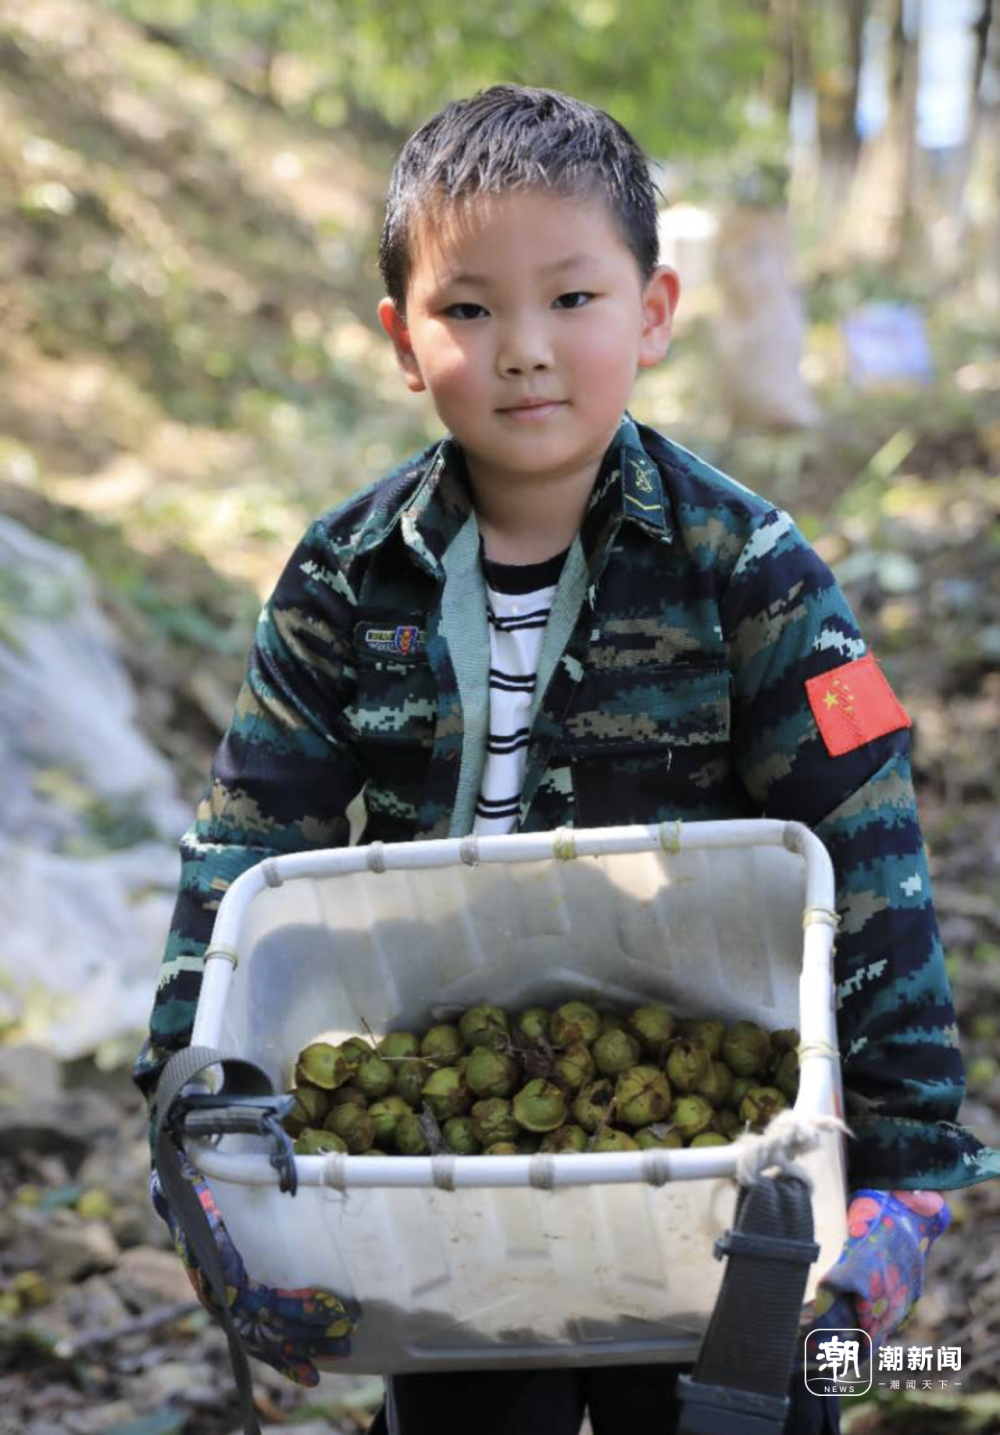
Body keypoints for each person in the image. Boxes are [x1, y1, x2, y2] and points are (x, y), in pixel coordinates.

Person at [135, 85, 998, 1435]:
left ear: (653, 311)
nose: (526, 348)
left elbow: (866, 856)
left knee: (736, 1410)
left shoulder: (749, 569)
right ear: (403, 344)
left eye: (573, 299)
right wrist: (195, 1143)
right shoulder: (342, 579)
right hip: (437, 1165)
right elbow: (240, 856)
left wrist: (905, 1168)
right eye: (469, 309)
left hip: (723, 1157)